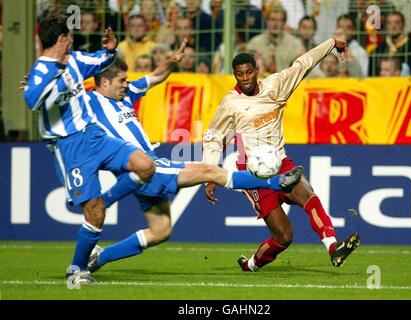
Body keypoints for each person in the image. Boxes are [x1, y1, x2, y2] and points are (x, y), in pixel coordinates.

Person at [82, 39, 303, 274]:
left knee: (160, 232)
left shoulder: (127, 94)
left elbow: (155, 76)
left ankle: (100, 258)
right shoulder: (89, 103)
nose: (126, 84)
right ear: (104, 82)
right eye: (122, 81)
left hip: (145, 171)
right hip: (146, 167)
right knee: (210, 171)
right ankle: (275, 181)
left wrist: (172, 60)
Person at [202, 37, 360, 272]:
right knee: (284, 236)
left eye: (248, 73)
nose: (244, 79)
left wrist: (330, 43)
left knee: (308, 194)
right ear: (235, 75)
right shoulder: (231, 103)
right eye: (239, 74)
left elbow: (304, 64)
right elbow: (214, 138)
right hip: (252, 174)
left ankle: (333, 247)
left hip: (280, 162)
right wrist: (210, 173)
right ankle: (251, 264)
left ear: (257, 71)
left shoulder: (276, 85)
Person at [22, 14, 156, 284]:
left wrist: (109, 50)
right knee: (95, 213)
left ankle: (107, 199)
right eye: (69, 37)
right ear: (61, 39)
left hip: (95, 136)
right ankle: (76, 269)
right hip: (69, 146)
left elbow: (100, 61)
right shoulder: (42, 69)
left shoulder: (76, 61)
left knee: (145, 164)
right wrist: (58, 80)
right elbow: (32, 99)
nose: (72, 41)